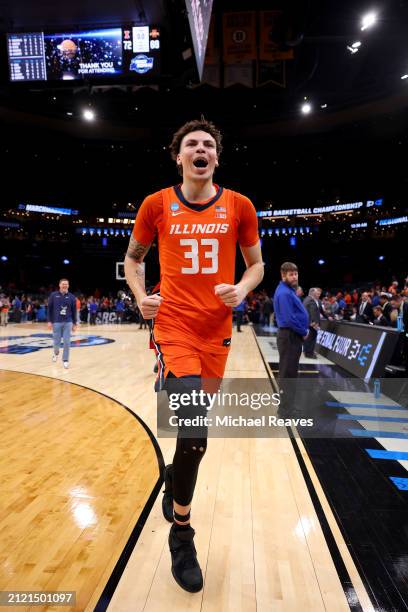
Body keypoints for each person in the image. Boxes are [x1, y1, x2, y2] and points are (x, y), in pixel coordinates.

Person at [124, 118, 263, 593]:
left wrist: (242, 288)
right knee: (193, 427)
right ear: (178, 156)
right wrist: (140, 295)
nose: (200, 149)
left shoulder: (240, 206)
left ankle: (172, 476)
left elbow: (258, 264)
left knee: (193, 441)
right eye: (191, 144)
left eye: (208, 144)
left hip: (216, 333)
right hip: (174, 326)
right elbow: (133, 259)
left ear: (216, 158)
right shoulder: (156, 204)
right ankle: (182, 537)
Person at [273, 262, 309, 413]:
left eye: (296, 274)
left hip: (291, 336)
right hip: (290, 336)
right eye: (291, 274)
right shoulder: (284, 293)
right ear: (283, 275)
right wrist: (303, 331)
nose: (294, 277)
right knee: (288, 374)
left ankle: (287, 407)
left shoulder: (288, 290)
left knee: (290, 372)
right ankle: (285, 410)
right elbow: (288, 319)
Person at [47, 278, 77, 369]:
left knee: (67, 342)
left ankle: (65, 360)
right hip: (56, 322)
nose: (65, 285)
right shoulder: (53, 295)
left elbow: (74, 311)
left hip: (68, 322)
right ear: (59, 285)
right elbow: (49, 309)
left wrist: (75, 323)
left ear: (68, 285)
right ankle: (56, 353)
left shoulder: (72, 297)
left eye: (66, 284)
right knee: (56, 342)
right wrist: (49, 321)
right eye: (63, 284)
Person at [303, 287, 323, 358]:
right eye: (316, 292)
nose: (317, 294)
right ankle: (309, 353)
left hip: (308, 322)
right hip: (312, 323)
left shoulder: (306, 299)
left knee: (309, 338)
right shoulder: (311, 300)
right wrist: (314, 323)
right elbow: (312, 313)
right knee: (312, 338)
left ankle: (306, 351)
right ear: (313, 293)